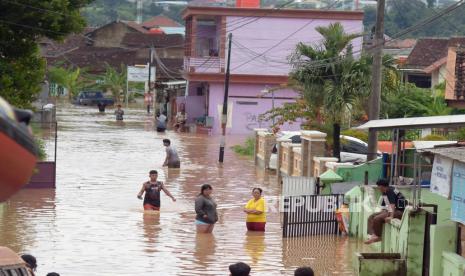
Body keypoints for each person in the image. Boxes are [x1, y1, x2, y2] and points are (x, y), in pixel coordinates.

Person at [365, 178, 406, 244]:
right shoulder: (384, 192)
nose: (378, 188)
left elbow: (392, 204)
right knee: (371, 216)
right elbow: (387, 204)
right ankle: (371, 235)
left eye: (378, 186)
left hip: (400, 211)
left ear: (381, 186)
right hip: (393, 210)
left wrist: (391, 216)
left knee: (377, 218)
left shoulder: (390, 191)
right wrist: (383, 212)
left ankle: (378, 236)